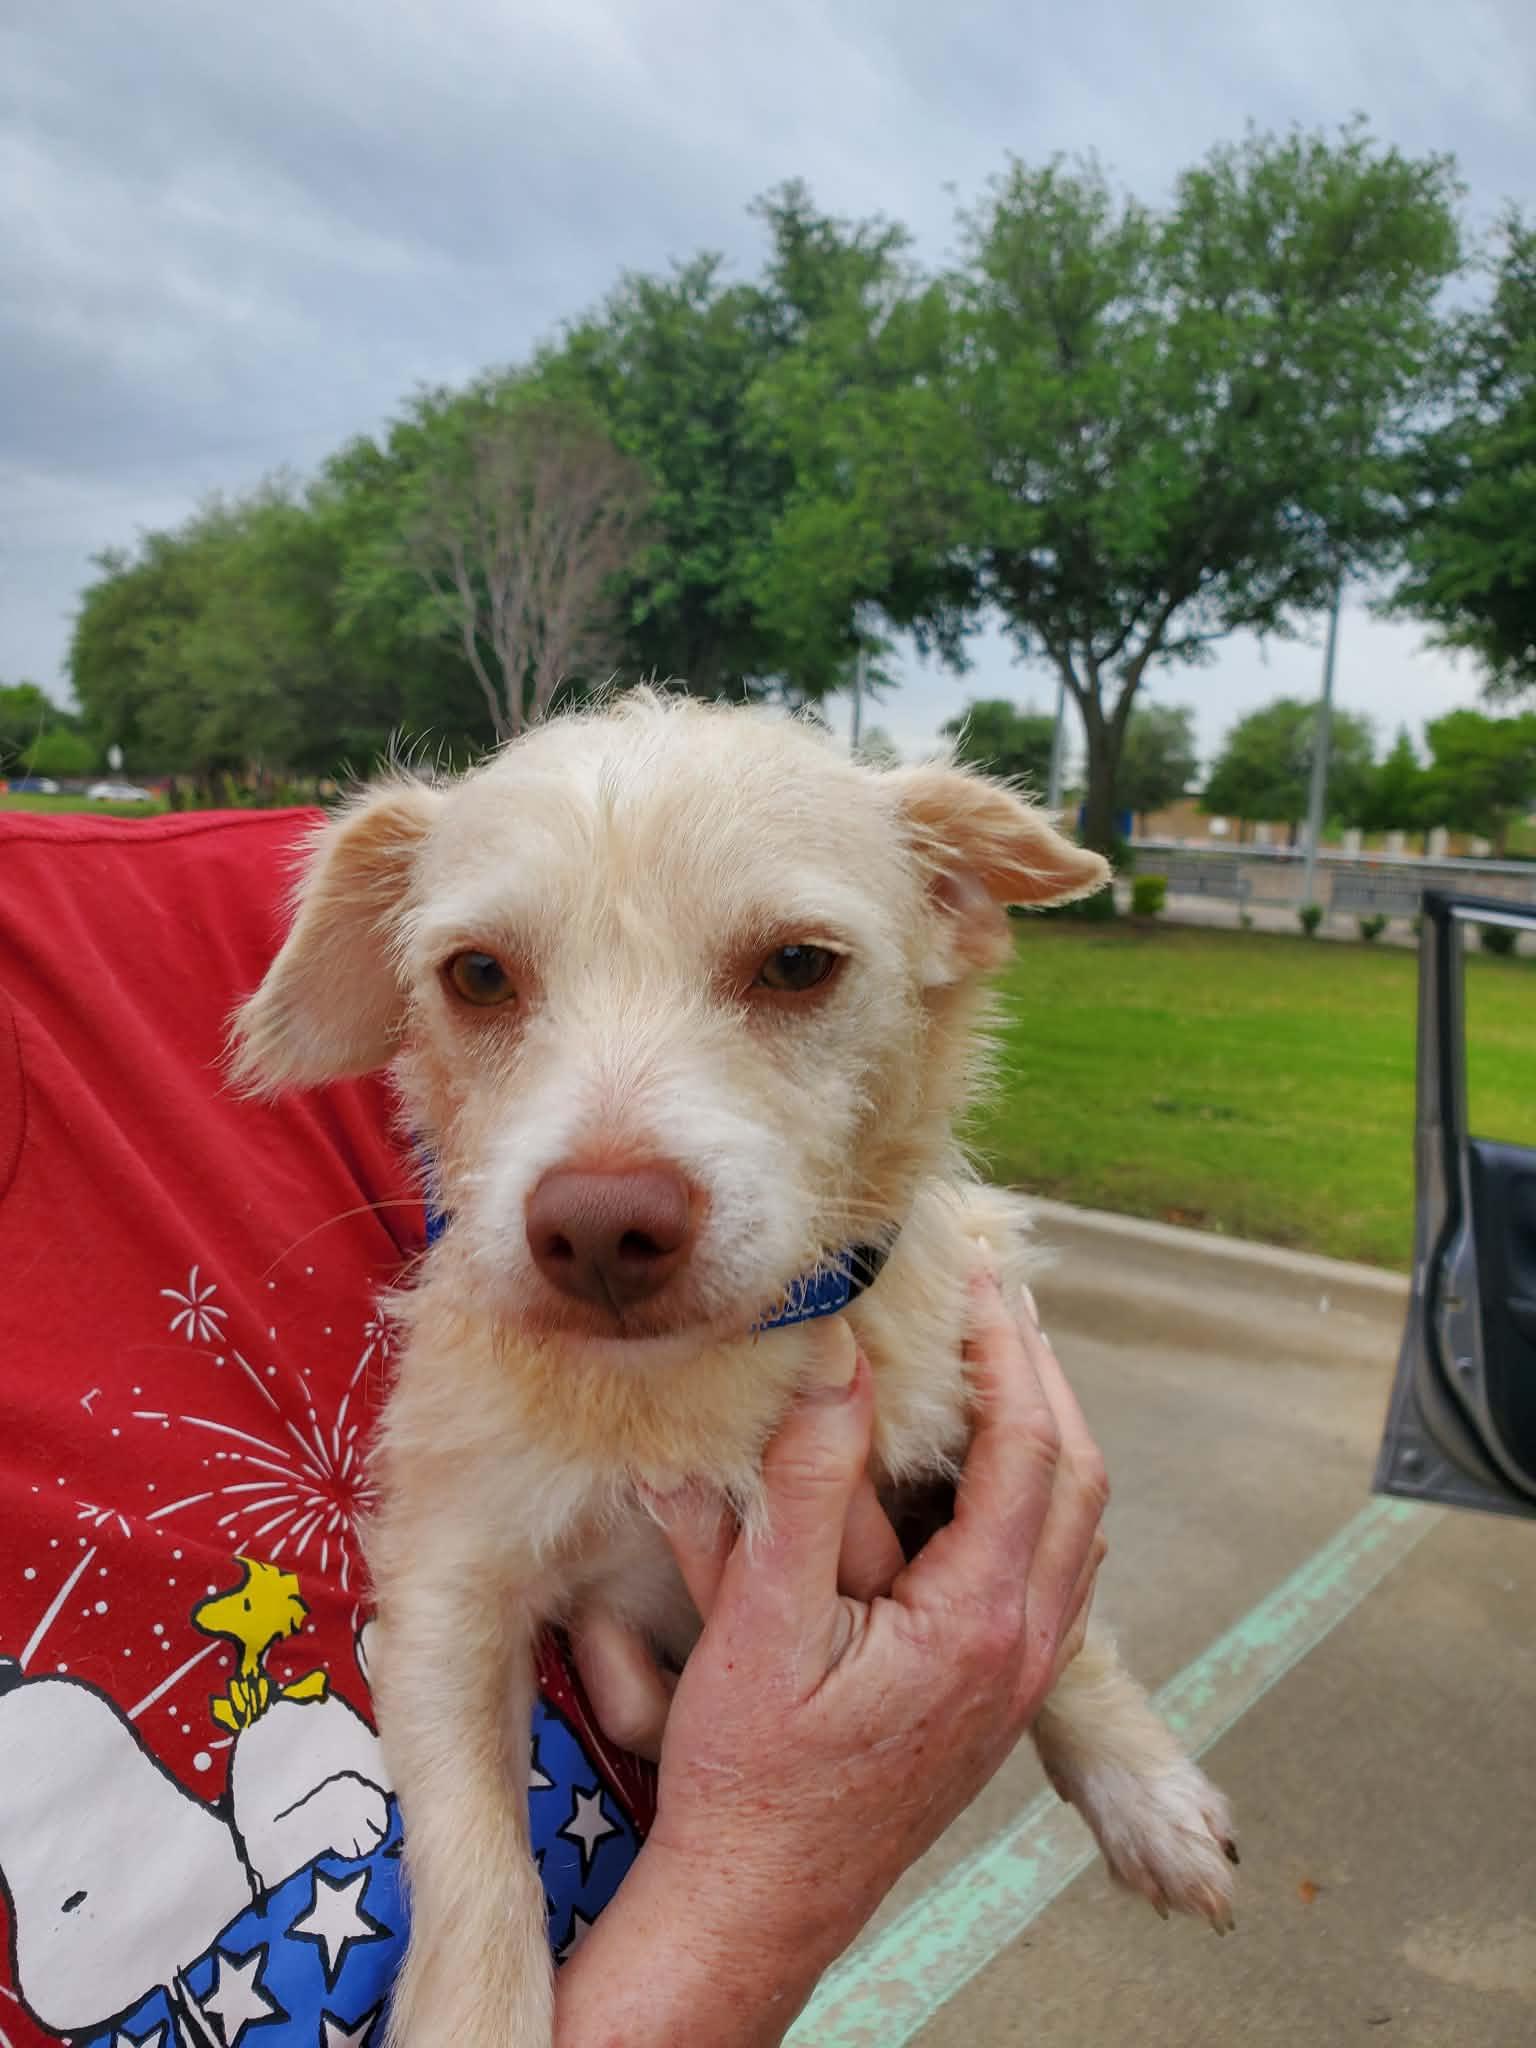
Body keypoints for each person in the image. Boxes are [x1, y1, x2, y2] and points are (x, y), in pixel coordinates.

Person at [0, 802, 1107, 2048]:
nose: (604, 1192)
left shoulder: (224, 895)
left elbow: (1000, 1537)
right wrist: (752, 1882)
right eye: (484, 979)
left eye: (792, 965)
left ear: (954, 914)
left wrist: (1083, 1709)